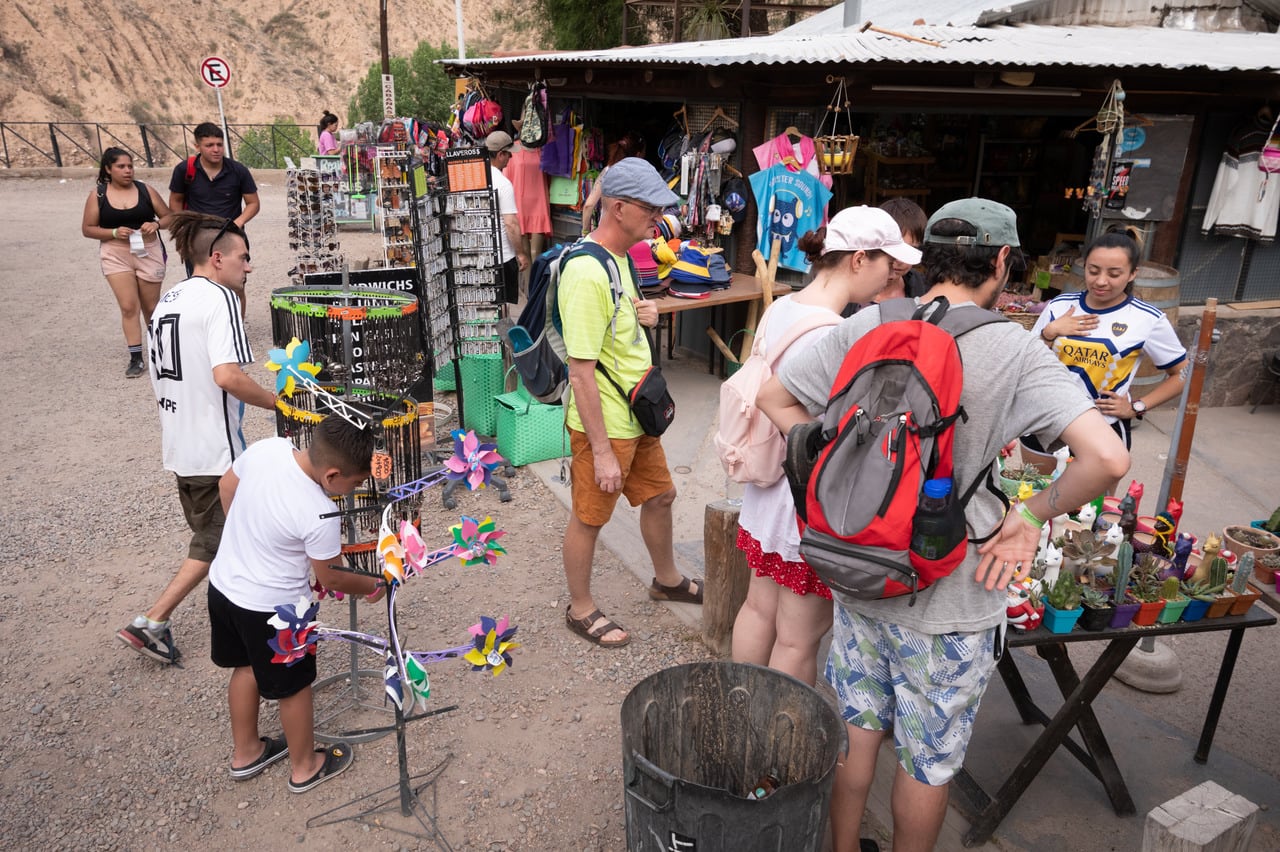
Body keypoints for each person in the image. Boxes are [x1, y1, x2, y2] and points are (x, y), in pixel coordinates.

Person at [757, 198, 1130, 852]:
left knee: (856, 731)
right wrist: (1029, 518)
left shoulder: (868, 321)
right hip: (953, 592)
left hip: (860, 570)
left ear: (926, 258)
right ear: (1004, 262)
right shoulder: (1014, 349)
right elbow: (1108, 458)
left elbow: (774, 395)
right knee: (926, 764)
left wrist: (827, 458)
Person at [731, 207, 921, 686]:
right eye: (888, 267)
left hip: (765, 490)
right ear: (859, 260)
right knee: (799, 639)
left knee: (757, 609)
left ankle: (739, 712)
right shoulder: (836, 333)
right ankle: (777, 747)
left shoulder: (785, 307)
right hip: (804, 500)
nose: (890, 279)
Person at [116, 212, 278, 664]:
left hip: (180, 446)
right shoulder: (219, 299)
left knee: (224, 539)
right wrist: (276, 401)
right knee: (219, 540)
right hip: (216, 452)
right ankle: (152, 621)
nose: (248, 268)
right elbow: (227, 375)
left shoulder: (170, 297)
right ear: (217, 257)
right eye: (244, 258)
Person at [560, 157, 702, 649]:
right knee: (590, 515)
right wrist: (599, 450)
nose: (659, 218)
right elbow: (580, 372)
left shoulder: (619, 258)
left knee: (661, 495)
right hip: (607, 422)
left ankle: (666, 579)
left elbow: (612, 336)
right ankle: (580, 609)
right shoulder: (585, 272)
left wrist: (646, 315)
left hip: (635, 414)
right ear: (618, 208)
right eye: (651, 208)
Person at [209, 416, 381, 792]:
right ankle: (305, 766)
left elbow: (226, 486)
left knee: (245, 667)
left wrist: (249, 536)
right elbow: (331, 577)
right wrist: (373, 584)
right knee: (294, 687)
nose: (353, 491)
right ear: (332, 475)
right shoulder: (319, 512)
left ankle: (247, 753)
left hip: (224, 586)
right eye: (355, 484)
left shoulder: (268, 448)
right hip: (277, 611)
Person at [1029, 227, 1187, 451]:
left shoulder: (1147, 319)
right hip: (1043, 424)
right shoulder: (1060, 306)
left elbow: (1183, 373)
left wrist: (1137, 407)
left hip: (1102, 431)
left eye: (1114, 274)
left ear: (1133, 274)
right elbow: (1025, 362)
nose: (1101, 281)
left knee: (1092, 487)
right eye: (1093, 271)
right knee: (1033, 487)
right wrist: (1049, 332)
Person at [82, 147, 173, 377]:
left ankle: (159, 353)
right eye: (121, 167)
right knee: (128, 306)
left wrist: (156, 225)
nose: (127, 170)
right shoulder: (98, 195)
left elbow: (170, 216)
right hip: (116, 253)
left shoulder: (145, 190)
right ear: (108, 169)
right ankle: (135, 358)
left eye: (130, 166)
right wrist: (113, 233)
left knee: (151, 307)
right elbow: (88, 229)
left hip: (148, 250)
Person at [168, 122, 260, 289]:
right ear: (198, 146)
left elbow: (253, 203)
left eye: (219, 144)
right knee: (201, 286)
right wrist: (183, 226)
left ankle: (235, 316)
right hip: (197, 238)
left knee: (236, 287)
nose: (216, 149)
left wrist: (237, 223)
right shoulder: (184, 170)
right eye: (209, 145)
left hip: (231, 237)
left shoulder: (238, 170)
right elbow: (175, 200)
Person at [484, 130, 530, 304]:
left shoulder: (474, 177)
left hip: (478, 254)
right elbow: (510, 223)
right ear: (500, 154)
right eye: (508, 154)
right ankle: (501, 331)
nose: (511, 158)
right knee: (501, 306)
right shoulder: (503, 183)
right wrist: (521, 253)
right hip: (502, 256)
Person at [580, 131, 646, 236]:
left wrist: (585, 233)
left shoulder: (607, 171)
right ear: (638, 155)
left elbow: (589, 205)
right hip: (630, 236)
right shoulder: (641, 177)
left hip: (606, 235)